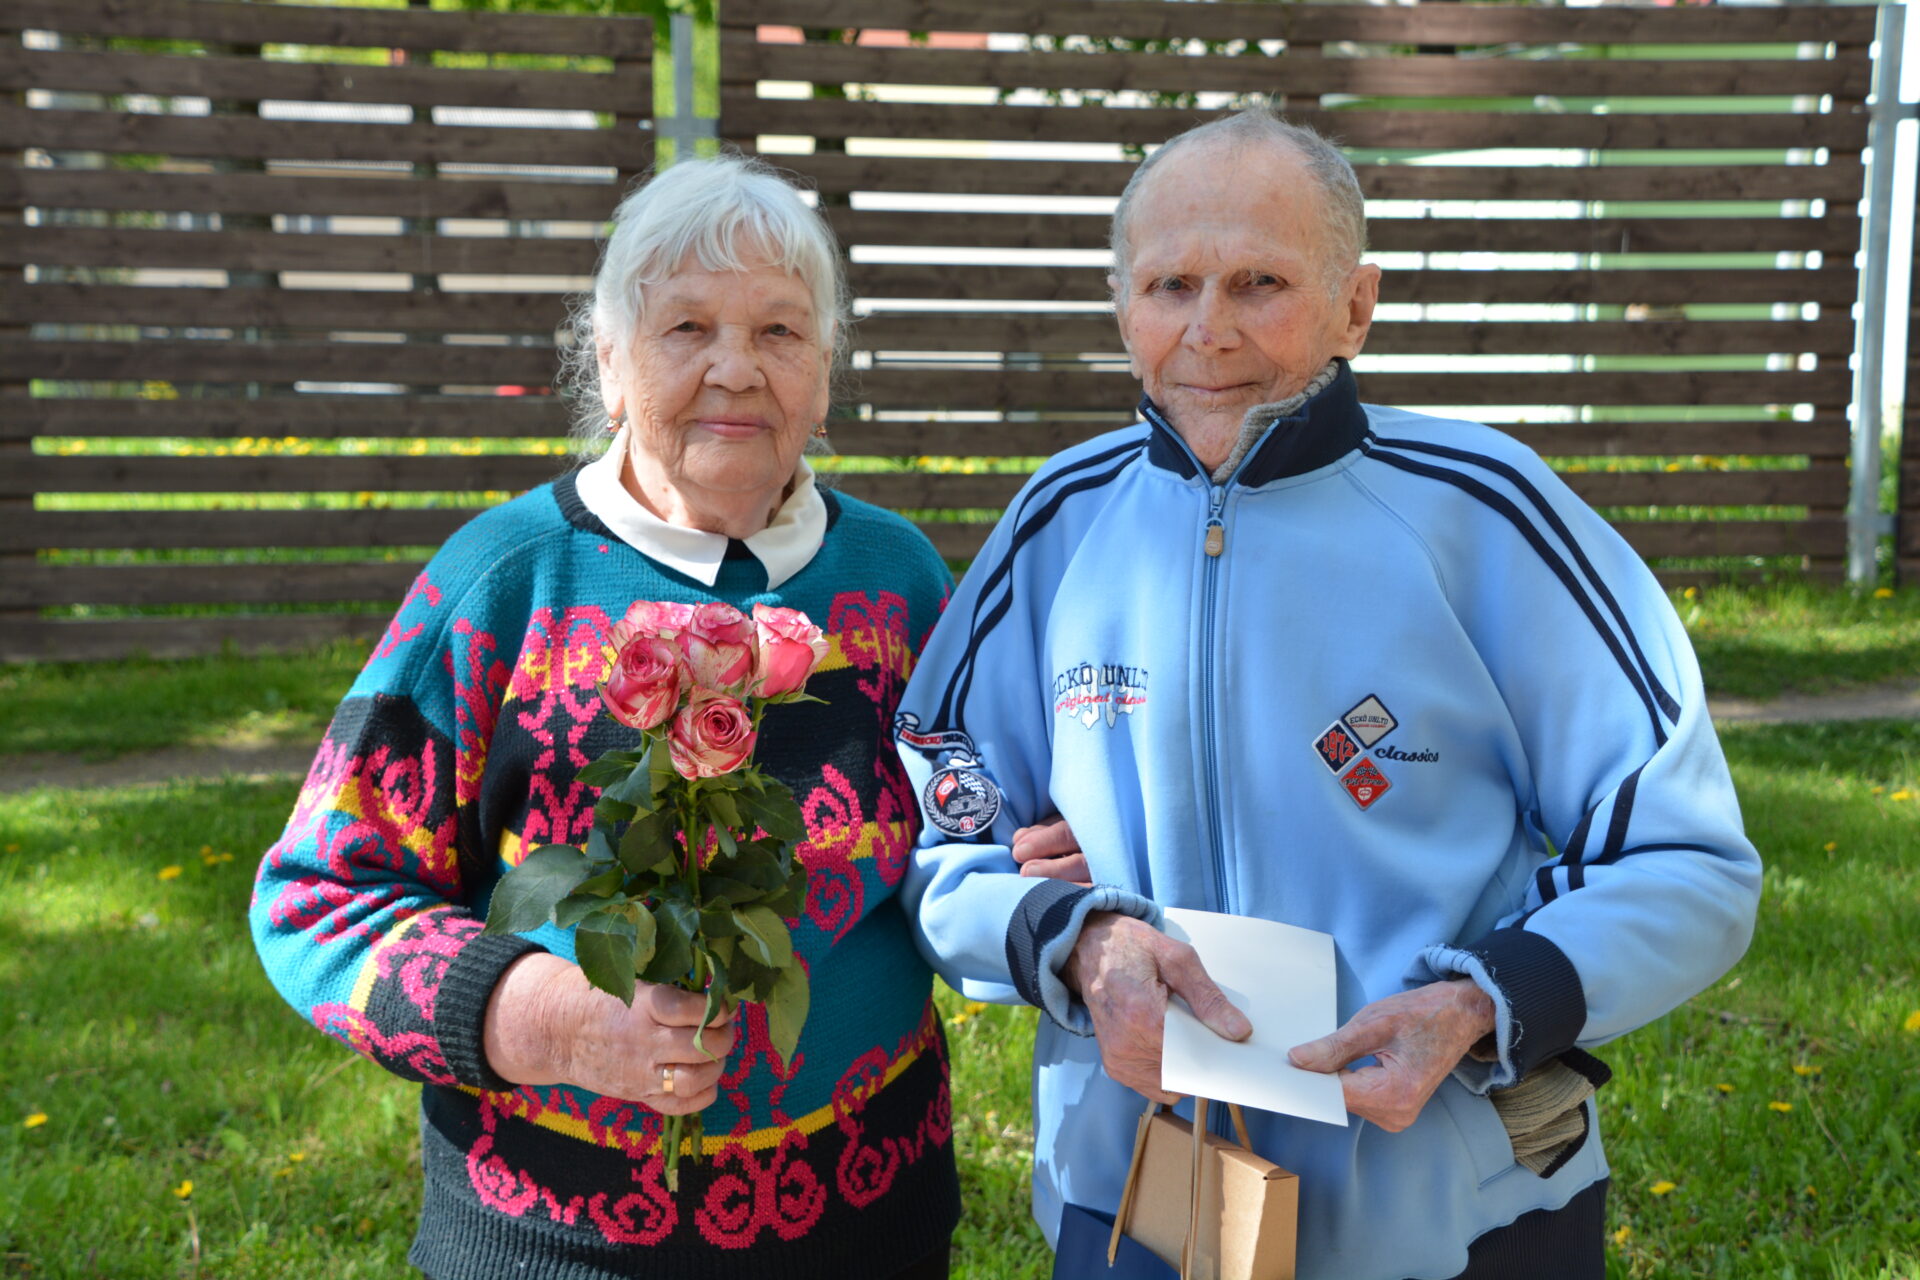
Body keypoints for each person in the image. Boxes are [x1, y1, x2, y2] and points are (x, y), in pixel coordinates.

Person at [894, 107, 1762, 1280]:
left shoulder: (1487, 511)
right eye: (1168, 284)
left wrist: (1479, 1006)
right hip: (1143, 1208)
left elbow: (1689, 860)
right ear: (1120, 308)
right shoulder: (1059, 522)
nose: (1207, 329)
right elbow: (934, 826)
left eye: (1261, 282)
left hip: (1461, 1211)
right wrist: (1074, 938)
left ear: (1356, 303)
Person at [251, 155, 961, 1280]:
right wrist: (547, 1018)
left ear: (826, 378)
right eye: (686, 326)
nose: (736, 368)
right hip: (556, 1239)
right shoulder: (501, 580)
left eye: (780, 331)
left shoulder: (904, 581)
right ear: (612, 361)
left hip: (872, 1222)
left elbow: (971, 832)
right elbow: (316, 901)